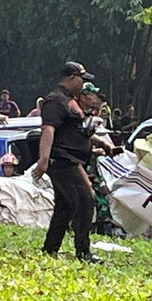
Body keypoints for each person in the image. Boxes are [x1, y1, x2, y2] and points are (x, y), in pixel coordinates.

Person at [32, 61, 104, 263]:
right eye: (82, 79)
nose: (83, 84)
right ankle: (83, 251)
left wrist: (101, 144)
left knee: (65, 207)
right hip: (63, 160)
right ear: (72, 78)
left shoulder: (69, 99)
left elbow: (76, 130)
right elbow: (48, 130)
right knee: (85, 201)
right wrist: (43, 160)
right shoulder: (55, 101)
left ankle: (50, 248)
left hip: (71, 159)